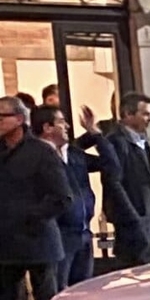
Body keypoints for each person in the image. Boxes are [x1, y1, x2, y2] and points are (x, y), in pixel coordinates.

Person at [0, 95, 77, 300]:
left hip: (38, 240)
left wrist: (30, 216)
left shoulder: (41, 152)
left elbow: (62, 197)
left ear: (19, 120)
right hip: (7, 244)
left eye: (2, 117)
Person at [79, 91, 150, 268]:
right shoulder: (116, 141)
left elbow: (149, 181)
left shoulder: (142, 141)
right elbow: (115, 183)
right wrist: (133, 218)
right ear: (128, 115)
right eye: (144, 114)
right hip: (136, 224)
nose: (149, 119)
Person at [40, 108, 94, 284]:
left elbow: (111, 165)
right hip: (61, 235)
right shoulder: (39, 156)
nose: (67, 126)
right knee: (61, 289)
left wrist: (95, 134)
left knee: (85, 289)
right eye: (61, 121)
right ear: (47, 128)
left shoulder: (73, 154)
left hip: (83, 232)